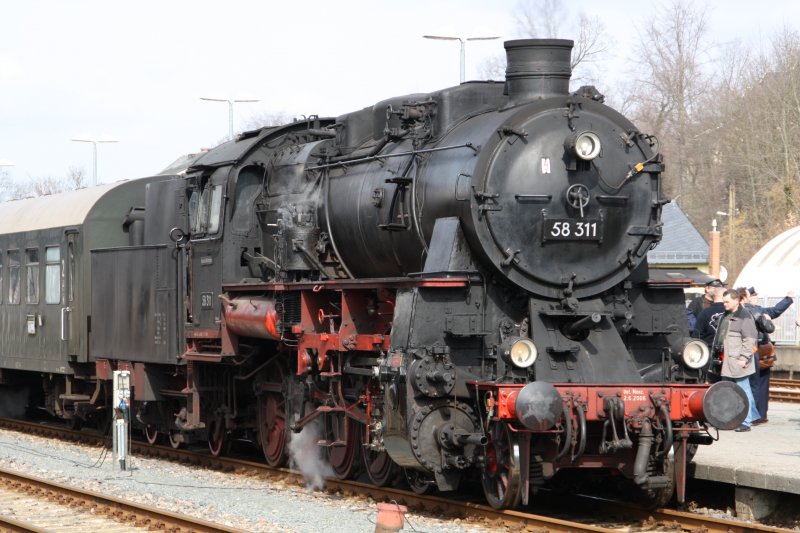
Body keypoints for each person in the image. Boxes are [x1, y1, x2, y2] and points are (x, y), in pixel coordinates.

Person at [744, 287, 794, 425]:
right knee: (761, 382)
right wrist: (788, 299)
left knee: (747, 383)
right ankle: (760, 414)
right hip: (761, 350)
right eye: (754, 296)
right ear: (749, 297)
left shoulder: (737, 311)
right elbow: (775, 311)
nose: (757, 299)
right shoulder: (758, 310)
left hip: (744, 351)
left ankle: (749, 414)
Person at [712, 288, 758, 432]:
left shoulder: (745, 316)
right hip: (727, 361)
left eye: (727, 302)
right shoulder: (725, 315)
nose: (724, 304)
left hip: (738, 361)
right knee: (733, 392)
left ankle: (747, 421)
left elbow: (750, 339)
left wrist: (744, 358)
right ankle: (741, 418)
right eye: (723, 301)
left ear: (737, 301)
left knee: (744, 391)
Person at [692, 284, 726, 382]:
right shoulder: (730, 312)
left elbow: (696, 336)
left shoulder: (704, 313)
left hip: (708, 355)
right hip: (728, 355)